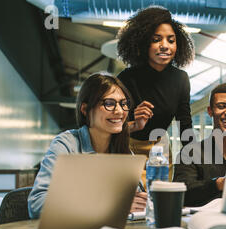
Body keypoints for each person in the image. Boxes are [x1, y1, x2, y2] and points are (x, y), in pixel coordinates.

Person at [28, 72, 148, 219]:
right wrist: (113, 204)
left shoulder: (124, 151)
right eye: (109, 103)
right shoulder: (66, 145)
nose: (120, 111)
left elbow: (134, 200)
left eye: (124, 104)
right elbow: (37, 204)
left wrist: (144, 203)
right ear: (85, 109)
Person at [116, 6, 196, 182]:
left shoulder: (181, 79)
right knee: (132, 201)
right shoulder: (126, 78)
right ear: (144, 43)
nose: (165, 46)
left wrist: (196, 158)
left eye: (171, 40)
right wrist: (133, 122)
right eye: (156, 39)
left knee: (158, 200)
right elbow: (113, 127)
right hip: (128, 146)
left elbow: (185, 123)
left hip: (160, 148)